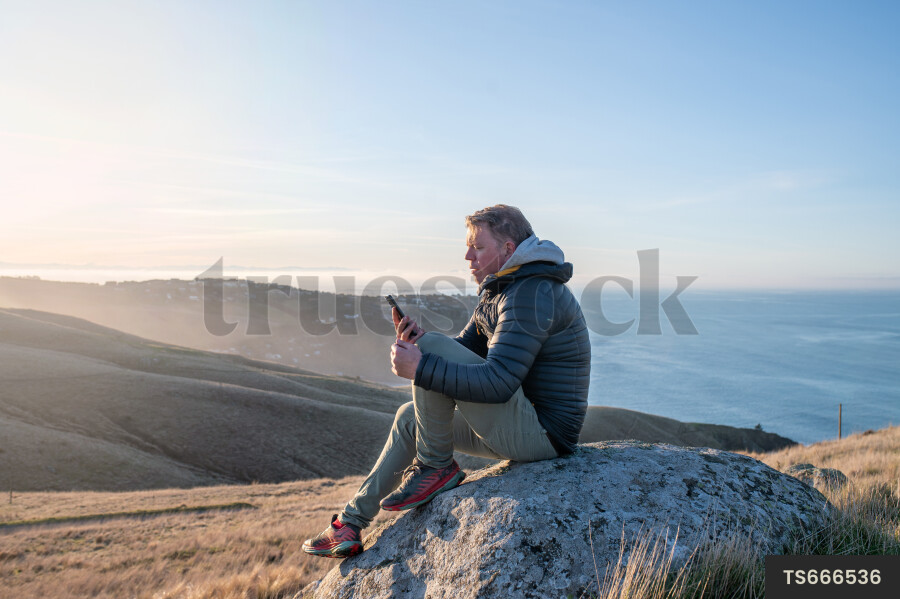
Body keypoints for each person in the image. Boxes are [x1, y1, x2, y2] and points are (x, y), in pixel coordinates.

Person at [302, 204, 591, 558]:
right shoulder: (502, 289)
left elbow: (498, 382)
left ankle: (436, 468)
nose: (468, 256)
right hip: (516, 425)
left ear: (508, 249)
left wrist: (421, 366)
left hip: (543, 435)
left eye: (478, 247)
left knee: (429, 353)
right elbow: (465, 350)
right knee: (410, 418)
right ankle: (350, 523)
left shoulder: (531, 293)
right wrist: (420, 339)